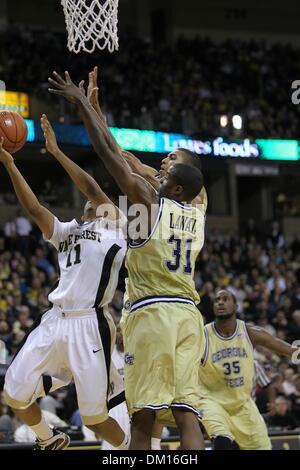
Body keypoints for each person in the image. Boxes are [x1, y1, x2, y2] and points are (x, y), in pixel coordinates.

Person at [48, 70, 206, 450]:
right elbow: (127, 159)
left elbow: (112, 157)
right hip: (189, 316)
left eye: (170, 162)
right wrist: (99, 116)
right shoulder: (198, 208)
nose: (162, 164)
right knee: (187, 415)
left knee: (143, 415)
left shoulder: (151, 203)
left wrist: (83, 104)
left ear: (179, 180)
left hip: (153, 314)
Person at [1, 122, 129, 451]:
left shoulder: (117, 227)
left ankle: (133, 450)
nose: (91, 202)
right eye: (87, 202)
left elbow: (93, 190)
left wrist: (56, 151)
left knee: (94, 418)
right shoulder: (66, 231)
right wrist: (10, 164)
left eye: (96, 200)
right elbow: (34, 208)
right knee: (13, 394)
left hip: (91, 324)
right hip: (55, 319)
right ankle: (50, 438)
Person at [199, 289, 300, 450]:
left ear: (236, 306)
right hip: (212, 401)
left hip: (243, 404)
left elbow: (281, 346)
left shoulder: (250, 332)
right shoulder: (202, 336)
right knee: (222, 441)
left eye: (225, 299)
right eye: (217, 300)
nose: (220, 302)